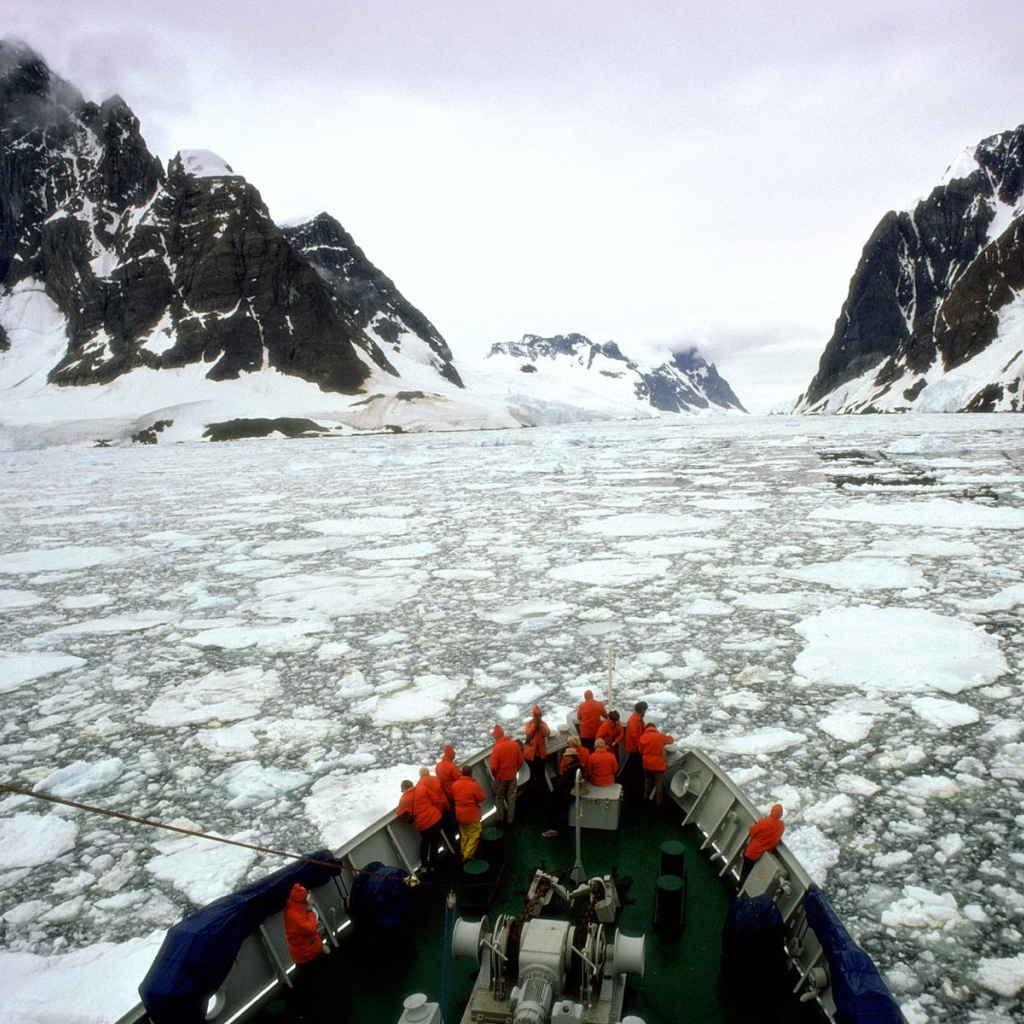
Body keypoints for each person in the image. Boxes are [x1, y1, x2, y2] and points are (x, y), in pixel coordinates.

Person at [283, 882, 324, 1018]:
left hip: (309, 950)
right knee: (304, 979)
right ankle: (301, 1008)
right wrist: (310, 911)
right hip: (304, 954)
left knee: (309, 976)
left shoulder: (294, 906)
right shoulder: (295, 914)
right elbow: (310, 929)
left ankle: (308, 1000)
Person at [396, 768, 447, 873]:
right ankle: (433, 865)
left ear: (404, 788)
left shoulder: (404, 799)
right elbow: (436, 800)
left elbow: (399, 813)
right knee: (434, 843)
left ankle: (424, 866)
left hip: (423, 826)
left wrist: (408, 817)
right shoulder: (422, 788)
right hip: (436, 819)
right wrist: (437, 812)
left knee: (424, 844)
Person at [542, 747, 584, 837]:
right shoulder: (577, 766)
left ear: (572, 757)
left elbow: (568, 783)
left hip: (568, 793)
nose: (565, 758)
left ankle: (554, 829)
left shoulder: (573, 769)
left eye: (567, 757)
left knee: (554, 806)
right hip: (569, 791)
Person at [490, 724, 525, 825]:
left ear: (496, 736)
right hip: (512, 776)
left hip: (501, 777)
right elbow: (521, 761)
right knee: (511, 797)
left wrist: (495, 775)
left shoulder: (497, 748)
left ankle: (500, 819)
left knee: (499, 797)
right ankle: (510, 820)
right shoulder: (513, 744)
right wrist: (515, 770)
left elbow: (493, 766)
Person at [451, 764, 487, 861]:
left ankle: (463, 850)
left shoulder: (455, 784)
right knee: (475, 833)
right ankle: (467, 855)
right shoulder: (473, 785)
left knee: (465, 833)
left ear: (462, 773)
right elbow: (482, 798)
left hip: (459, 814)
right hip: (471, 815)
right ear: (471, 774)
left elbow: (453, 796)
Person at [740, 804, 785, 882]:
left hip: (752, 852)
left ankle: (738, 888)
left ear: (771, 811)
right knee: (752, 875)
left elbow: (752, 833)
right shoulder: (781, 826)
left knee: (745, 872)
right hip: (764, 856)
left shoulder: (763, 822)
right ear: (781, 814)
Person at [639, 721, 674, 805]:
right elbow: (671, 740)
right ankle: (659, 801)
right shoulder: (660, 736)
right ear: (655, 728)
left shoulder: (643, 737)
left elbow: (640, 750)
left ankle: (646, 796)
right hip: (658, 764)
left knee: (647, 780)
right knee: (659, 782)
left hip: (647, 763)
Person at [620, 701, 648, 796]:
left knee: (633, 768)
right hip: (633, 749)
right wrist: (640, 747)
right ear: (642, 711)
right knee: (631, 768)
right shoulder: (634, 720)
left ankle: (631, 785)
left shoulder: (638, 719)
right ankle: (629, 786)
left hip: (635, 748)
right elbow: (635, 736)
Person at [523, 705, 551, 789]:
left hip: (540, 755)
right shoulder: (529, 724)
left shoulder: (543, 724)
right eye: (536, 715)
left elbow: (547, 733)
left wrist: (540, 724)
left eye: (539, 715)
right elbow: (528, 734)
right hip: (531, 755)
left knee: (540, 776)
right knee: (531, 776)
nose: (538, 716)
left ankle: (541, 792)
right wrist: (535, 724)